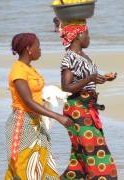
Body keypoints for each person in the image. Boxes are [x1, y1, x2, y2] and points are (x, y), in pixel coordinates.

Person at [5, 32, 74, 180]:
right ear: (28, 48)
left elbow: (36, 94)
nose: (40, 49)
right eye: (38, 46)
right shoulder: (18, 70)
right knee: (24, 167)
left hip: (36, 122)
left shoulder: (29, 68)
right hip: (22, 123)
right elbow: (28, 101)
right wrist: (57, 116)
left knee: (45, 164)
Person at [59, 20, 118, 180]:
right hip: (77, 109)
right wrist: (90, 78)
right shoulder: (69, 57)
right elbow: (66, 86)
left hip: (88, 108)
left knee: (81, 157)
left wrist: (99, 78)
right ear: (78, 35)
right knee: (96, 153)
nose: (89, 37)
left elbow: (86, 81)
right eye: (87, 33)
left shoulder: (83, 56)